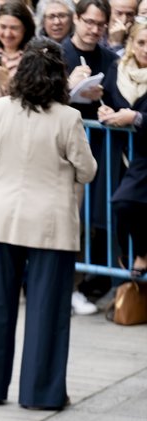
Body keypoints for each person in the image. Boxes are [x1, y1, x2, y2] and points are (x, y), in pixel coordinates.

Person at [0, 39, 97, 410]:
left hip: (1, 217)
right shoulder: (68, 118)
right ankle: (41, 392)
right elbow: (87, 170)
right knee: (46, 312)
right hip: (51, 224)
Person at [62, 0, 119, 313]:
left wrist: (105, 101)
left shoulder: (110, 58)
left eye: (101, 24)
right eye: (89, 22)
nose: (95, 29)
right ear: (77, 19)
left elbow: (120, 98)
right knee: (70, 218)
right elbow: (39, 97)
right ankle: (68, 286)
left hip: (99, 147)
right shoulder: (57, 53)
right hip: (62, 151)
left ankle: (89, 283)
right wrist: (70, 87)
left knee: (95, 219)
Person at [99, 22, 147, 277]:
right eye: (141, 43)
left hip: (142, 156)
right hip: (120, 153)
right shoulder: (118, 68)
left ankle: (140, 254)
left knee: (124, 201)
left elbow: (135, 115)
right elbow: (107, 100)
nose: (145, 49)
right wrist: (104, 110)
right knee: (119, 206)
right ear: (131, 43)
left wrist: (136, 118)